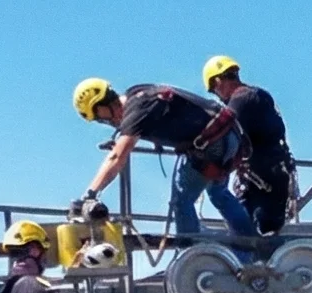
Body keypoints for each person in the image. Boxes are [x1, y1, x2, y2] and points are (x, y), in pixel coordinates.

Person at [71, 77, 254, 238]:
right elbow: (170, 113)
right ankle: (252, 246)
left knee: (181, 202)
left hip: (212, 143)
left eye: (101, 117)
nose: (107, 122)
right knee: (218, 193)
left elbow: (117, 157)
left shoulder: (135, 110)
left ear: (103, 104)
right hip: (229, 136)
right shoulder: (138, 93)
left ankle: (192, 252)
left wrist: (90, 194)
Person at [202, 55, 298, 234]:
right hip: (267, 180)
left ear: (217, 81)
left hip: (264, 186)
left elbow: (222, 134)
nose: (218, 97)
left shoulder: (242, 101)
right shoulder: (256, 96)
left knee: (254, 239)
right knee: (250, 236)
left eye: (214, 91)